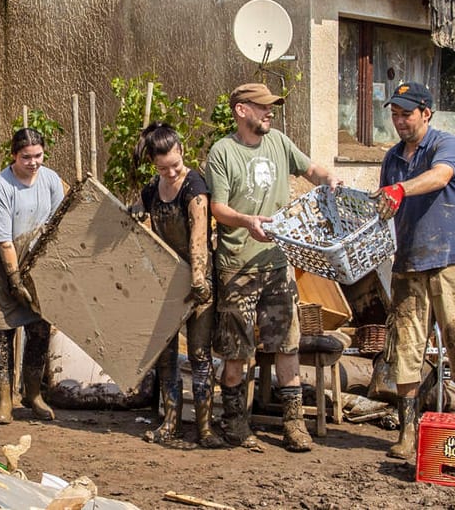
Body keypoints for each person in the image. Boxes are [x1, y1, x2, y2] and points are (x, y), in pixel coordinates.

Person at [204, 82, 340, 453]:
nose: (270, 112)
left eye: (271, 107)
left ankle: (293, 424)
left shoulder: (279, 142)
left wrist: (328, 178)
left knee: (287, 343)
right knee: (237, 349)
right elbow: (217, 207)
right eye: (262, 107)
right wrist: (247, 220)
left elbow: (310, 169)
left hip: (277, 263)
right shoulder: (223, 152)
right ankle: (234, 421)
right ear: (241, 110)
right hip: (237, 267)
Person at [373, 81, 455, 461]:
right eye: (394, 114)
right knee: (404, 350)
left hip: (453, 263)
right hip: (409, 264)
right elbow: (385, 205)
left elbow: (440, 177)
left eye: (406, 114)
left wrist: (400, 190)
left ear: (426, 113)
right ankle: (408, 431)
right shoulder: (392, 158)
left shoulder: (446, 145)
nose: (399, 121)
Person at [136, 123, 221, 448]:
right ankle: (170, 423)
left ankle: (205, 428)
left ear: (182, 152)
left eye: (175, 164)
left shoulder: (195, 185)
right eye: (163, 168)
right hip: (167, 284)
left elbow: (199, 235)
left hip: (199, 279)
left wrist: (199, 279)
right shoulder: (149, 192)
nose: (171, 172)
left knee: (200, 354)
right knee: (166, 355)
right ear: (153, 165)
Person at [0, 128, 64, 426]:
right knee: (2, 334)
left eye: (38, 155)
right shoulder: (2, 187)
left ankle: (33, 394)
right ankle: (4, 401)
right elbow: (4, 241)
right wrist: (15, 281)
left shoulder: (51, 180)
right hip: (1, 266)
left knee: (40, 330)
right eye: (26, 157)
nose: (33, 162)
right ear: (14, 156)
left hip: (38, 264)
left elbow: (58, 228)